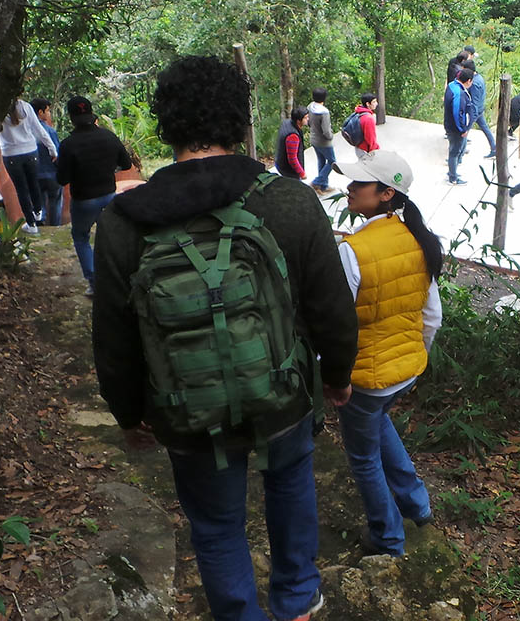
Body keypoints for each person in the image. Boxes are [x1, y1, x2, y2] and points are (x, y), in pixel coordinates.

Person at [92, 55, 357, 621]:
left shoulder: (122, 223)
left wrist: (128, 412)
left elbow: (114, 335)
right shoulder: (289, 201)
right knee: (289, 486)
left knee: (215, 526)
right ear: (241, 124)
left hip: (187, 409)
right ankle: (295, 602)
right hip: (284, 393)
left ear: (165, 126)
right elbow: (331, 305)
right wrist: (336, 376)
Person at [332, 150, 441, 557]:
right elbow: (433, 316)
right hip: (405, 369)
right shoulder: (419, 239)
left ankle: (388, 538)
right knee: (378, 426)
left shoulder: (354, 250)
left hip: (364, 378)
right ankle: (417, 504)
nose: (350, 188)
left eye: (359, 183)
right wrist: (415, 357)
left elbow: (338, 326)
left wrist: (335, 378)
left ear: (385, 193)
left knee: (363, 459)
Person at [56, 96, 132, 296]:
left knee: (81, 237)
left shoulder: (68, 144)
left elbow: (61, 180)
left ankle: (94, 282)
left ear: (71, 118)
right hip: (109, 195)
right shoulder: (109, 137)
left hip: (84, 200)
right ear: (92, 115)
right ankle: (120, 278)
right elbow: (126, 164)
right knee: (110, 237)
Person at [0, 96, 58, 235]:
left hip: (11, 155)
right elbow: (39, 130)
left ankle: (31, 224)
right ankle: (38, 211)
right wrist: (52, 149)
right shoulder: (25, 106)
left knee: (22, 190)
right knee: (33, 183)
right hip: (31, 152)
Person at [30, 97, 64, 226]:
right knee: (55, 202)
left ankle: (40, 225)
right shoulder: (50, 131)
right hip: (52, 174)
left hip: (35, 174)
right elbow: (57, 153)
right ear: (40, 112)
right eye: (48, 111)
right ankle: (55, 226)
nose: (49, 114)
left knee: (38, 203)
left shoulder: (27, 131)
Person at [443, 67, 474, 185]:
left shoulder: (452, 85)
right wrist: (462, 129)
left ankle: (452, 172)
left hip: (449, 125)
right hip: (455, 129)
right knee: (454, 152)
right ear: (469, 81)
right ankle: (453, 178)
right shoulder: (459, 93)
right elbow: (457, 113)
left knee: (454, 150)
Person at [307, 88, 336, 194]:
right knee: (332, 161)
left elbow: (308, 122)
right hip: (324, 142)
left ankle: (323, 186)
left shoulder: (310, 107)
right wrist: (331, 136)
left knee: (322, 161)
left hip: (314, 139)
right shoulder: (324, 112)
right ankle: (316, 182)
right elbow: (326, 131)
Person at [466, 59, 496, 159]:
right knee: (485, 129)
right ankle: (494, 148)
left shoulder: (474, 83)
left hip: (475, 111)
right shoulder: (479, 78)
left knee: (464, 132)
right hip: (479, 109)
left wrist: (472, 115)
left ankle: (458, 156)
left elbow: (475, 101)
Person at [276, 107, 309, 180]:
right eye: (305, 118)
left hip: (280, 162)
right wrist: (302, 173)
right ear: (298, 121)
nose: (308, 119)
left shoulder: (286, 122)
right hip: (288, 170)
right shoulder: (293, 136)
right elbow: (292, 159)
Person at [352, 93, 380, 158]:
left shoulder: (358, 113)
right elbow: (370, 138)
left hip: (358, 147)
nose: (376, 103)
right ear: (368, 104)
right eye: (374, 102)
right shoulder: (368, 118)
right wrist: (375, 149)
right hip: (365, 150)